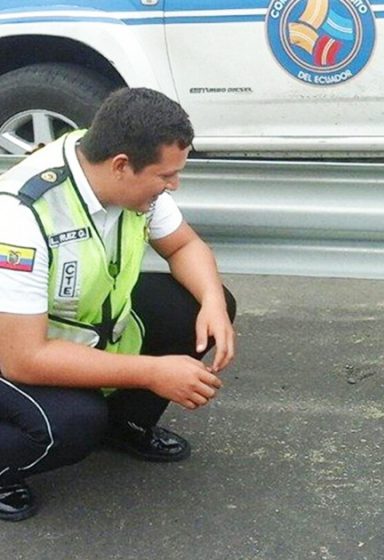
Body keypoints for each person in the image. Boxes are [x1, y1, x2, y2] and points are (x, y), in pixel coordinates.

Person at [0, 87, 236, 521]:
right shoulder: (20, 214)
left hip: (79, 328)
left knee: (195, 305)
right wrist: (153, 373)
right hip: (12, 350)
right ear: (122, 166)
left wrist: (215, 304)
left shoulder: (117, 165)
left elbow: (185, 246)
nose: (173, 185)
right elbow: (22, 358)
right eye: (166, 176)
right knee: (72, 423)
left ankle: (123, 426)